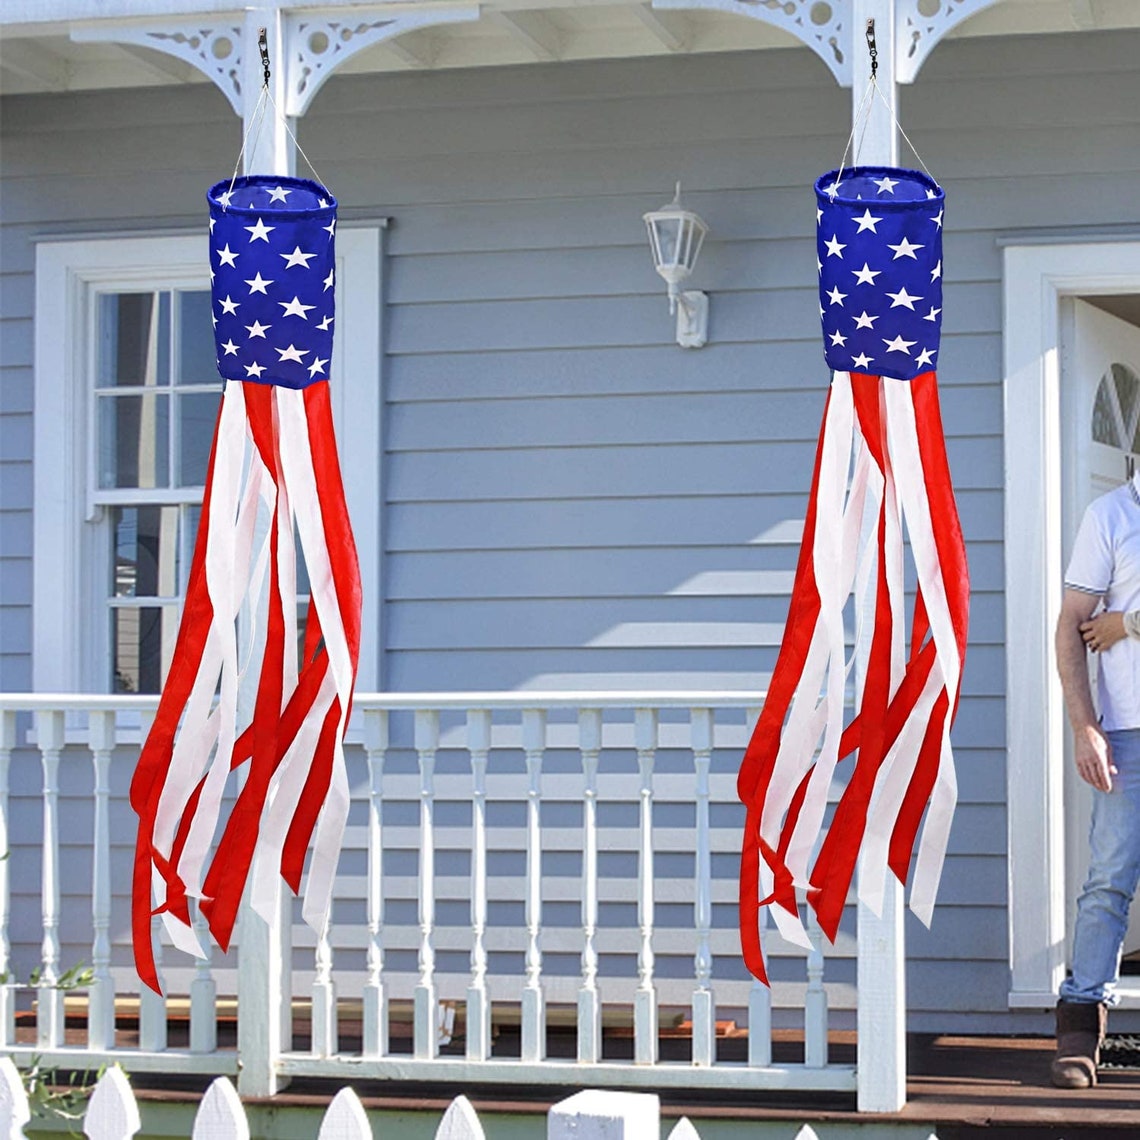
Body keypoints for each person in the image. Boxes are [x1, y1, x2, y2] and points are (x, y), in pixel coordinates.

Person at [1053, 474, 1140, 1089]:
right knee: (1108, 880)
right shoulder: (1109, 516)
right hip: (1128, 732)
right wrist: (1085, 726)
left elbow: (1111, 625)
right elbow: (1071, 626)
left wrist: (1130, 623)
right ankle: (1080, 1028)